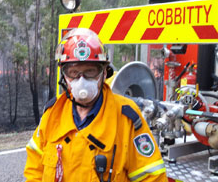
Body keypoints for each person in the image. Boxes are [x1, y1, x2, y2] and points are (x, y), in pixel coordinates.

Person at [24, 28, 167, 182]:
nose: (82, 80)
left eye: (90, 71)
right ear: (64, 76)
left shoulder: (127, 118)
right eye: (73, 72)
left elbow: (152, 177)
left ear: (104, 73)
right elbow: (34, 172)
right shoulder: (52, 114)